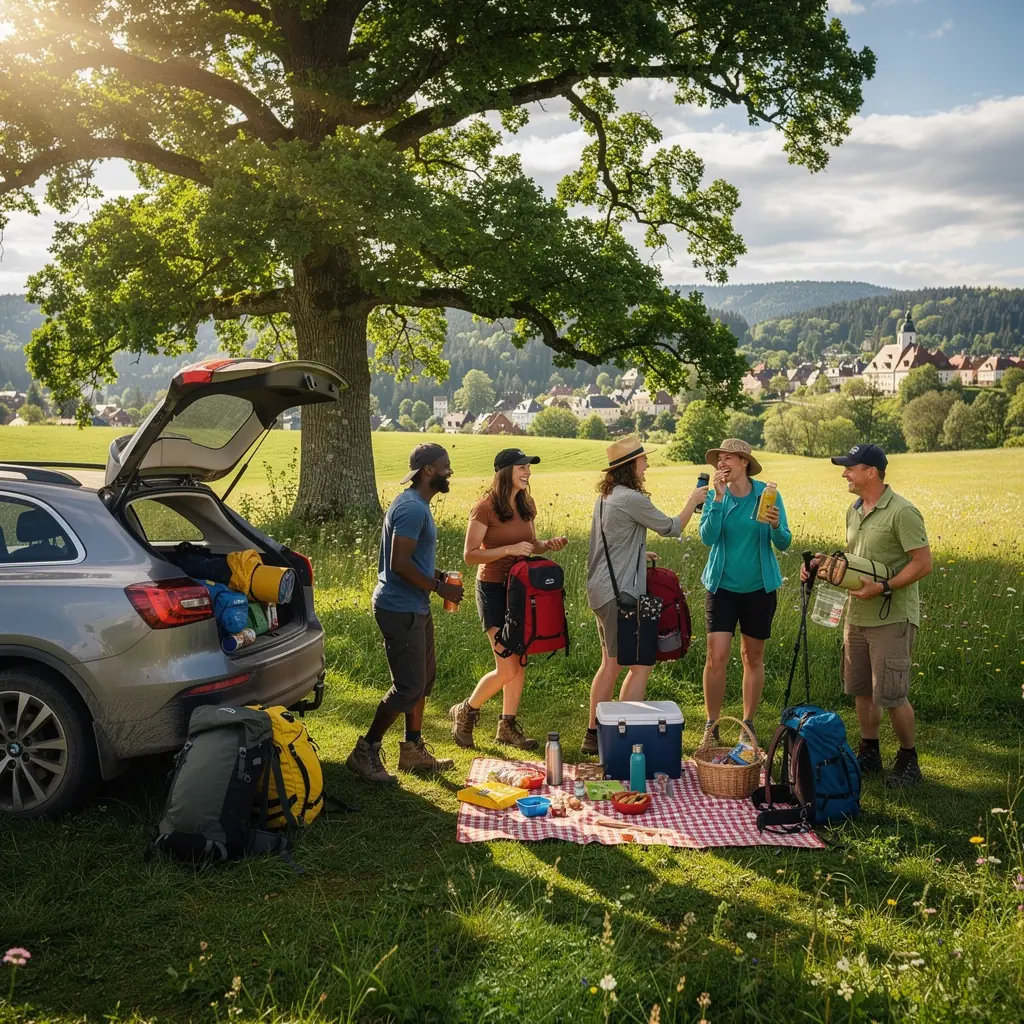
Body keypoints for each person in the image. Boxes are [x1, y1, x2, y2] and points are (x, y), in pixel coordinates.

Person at [801, 443, 931, 788]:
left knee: (892, 694)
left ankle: (908, 760)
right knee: (861, 690)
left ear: (871, 472)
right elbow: (855, 562)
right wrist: (822, 567)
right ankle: (869, 751)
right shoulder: (854, 509)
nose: (844, 473)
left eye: (850, 468)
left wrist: (885, 586)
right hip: (856, 614)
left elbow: (923, 563)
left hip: (892, 616)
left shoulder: (902, 512)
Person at [346, 443, 465, 784]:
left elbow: (411, 559)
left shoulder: (415, 506)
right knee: (408, 687)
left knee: (423, 680)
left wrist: (438, 575)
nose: (450, 471)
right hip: (400, 607)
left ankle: (412, 750)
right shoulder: (412, 508)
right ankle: (365, 749)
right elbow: (399, 565)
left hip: (414, 605)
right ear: (428, 470)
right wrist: (438, 587)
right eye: (445, 466)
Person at [581, 436, 707, 756]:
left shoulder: (606, 497)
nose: (646, 465)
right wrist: (692, 501)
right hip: (620, 593)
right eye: (643, 461)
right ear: (630, 466)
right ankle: (613, 733)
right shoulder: (631, 499)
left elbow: (612, 540)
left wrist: (638, 552)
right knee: (634, 666)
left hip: (601, 588)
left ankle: (599, 732)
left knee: (612, 663)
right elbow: (671, 527)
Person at [448, 448, 568, 750]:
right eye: (521, 468)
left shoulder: (526, 504)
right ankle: (465, 711)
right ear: (505, 472)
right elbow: (470, 555)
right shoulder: (484, 507)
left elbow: (530, 544)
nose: (527, 472)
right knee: (507, 667)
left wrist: (546, 545)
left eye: (528, 467)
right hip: (493, 591)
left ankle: (506, 726)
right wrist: (508, 550)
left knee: (519, 661)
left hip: (521, 590)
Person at [699, 438, 791, 744]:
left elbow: (783, 542)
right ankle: (712, 725)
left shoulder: (767, 495)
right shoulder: (716, 496)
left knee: (753, 657)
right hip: (722, 587)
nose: (722, 464)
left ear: (744, 463)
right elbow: (707, 537)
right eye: (719, 459)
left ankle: (747, 724)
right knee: (717, 657)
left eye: (728, 458)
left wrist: (777, 526)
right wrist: (717, 499)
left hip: (758, 588)